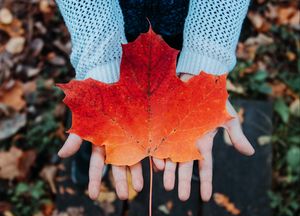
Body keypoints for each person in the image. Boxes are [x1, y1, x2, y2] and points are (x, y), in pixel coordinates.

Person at [55, 0, 255, 202]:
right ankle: (98, 150)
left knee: (182, 108)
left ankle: (190, 151)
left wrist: (207, 51)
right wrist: (101, 54)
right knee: (103, 123)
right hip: (110, 21)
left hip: (188, 22)